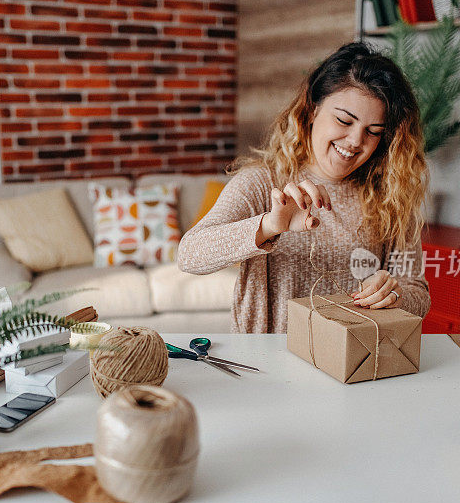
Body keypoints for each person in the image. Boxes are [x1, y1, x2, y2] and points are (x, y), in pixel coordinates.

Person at [177, 42, 431, 333]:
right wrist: (269, 226)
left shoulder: (390, 196)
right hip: (266, 362)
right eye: (344, 120)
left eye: (373, 132)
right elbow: (189, 255)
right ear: (312, 110)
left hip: (349, 361)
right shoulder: (262, 183)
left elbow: (418, 294)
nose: (355, 141)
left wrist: (394, 295)